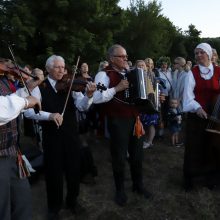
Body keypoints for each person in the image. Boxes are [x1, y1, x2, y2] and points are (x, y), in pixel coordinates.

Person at [24, 55, 96, 219]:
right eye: (57, 67)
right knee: (53, 173)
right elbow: (29, 112)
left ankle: (72, 201)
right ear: (48, 68)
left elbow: (82, 107)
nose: (62, 70)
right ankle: (53, 208)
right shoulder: (39, 86)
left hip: (71, 135)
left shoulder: (71, 85)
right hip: (51, 137)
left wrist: (89, 96)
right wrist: (49, 116)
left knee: (74, 170)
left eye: (63, 67)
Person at [93, 44, 152, 207]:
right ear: (111, 59)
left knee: (137, 154)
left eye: (126, 56)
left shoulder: (132, 74)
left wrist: (153, 99)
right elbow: (97, 99)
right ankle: (120, 190)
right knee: (119, 156)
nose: (126, 59)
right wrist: (116, 88)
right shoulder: (103, 75)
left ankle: (137, 185)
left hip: (135, 119)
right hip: (117, 120)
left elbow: (141, 96)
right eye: (122, 56)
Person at [0, 68, 42, 220]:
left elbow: (10, 99)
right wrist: (25, 101)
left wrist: (28, 88)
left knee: (23, 202)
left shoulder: (4, 80)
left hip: (12, 151)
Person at [182, 43, 220, 190]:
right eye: (196, 53)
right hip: (197, 117)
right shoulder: (192, 73)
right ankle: (190, 179)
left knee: (213, 148)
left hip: (216, 116)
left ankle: (211, 178)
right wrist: (197, 108)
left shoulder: (218, 71)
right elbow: (188, 97)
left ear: (209, 54)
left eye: (201, 53)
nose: (198, 56)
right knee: (194, 147)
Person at [135, 59, 159, 149]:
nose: (141, 67)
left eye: (143, 65)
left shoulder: (151, 75)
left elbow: (155, 89)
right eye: (139, 65)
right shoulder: (134, 76)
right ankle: (143, 140)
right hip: (139, 104)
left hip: (150, 104)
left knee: (151, 124)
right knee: (142, 123)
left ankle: (150, 141)